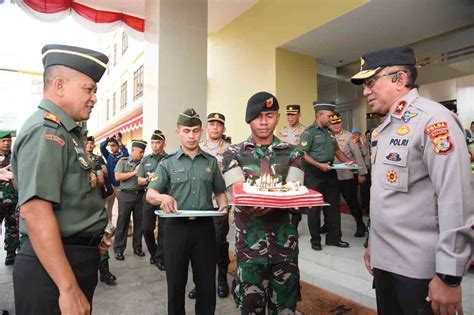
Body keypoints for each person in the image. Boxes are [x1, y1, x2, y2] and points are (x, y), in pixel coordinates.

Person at [351, 46, 473, 315]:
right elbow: (385, 196)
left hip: (420, 272)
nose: (365, 91)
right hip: (386, 264)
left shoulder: (434, 120)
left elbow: (457, 201)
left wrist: (449, 277)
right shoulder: (382, 131)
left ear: (400, 78)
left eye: (371, 82)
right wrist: (375, 243)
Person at [11, 44, 111, 314]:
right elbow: (35, 211)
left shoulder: (68, 133)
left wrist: (91, 235)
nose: (94, 98)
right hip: (52, 270)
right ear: (59, 85)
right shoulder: (47, 133)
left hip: (72, 258)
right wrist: (67, 288)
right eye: (88, 89)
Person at [222, 92, 305, 314]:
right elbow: (238, 192)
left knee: (285, 309)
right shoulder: (233, 153)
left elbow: (295, 194)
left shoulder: (294, 152)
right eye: (258, 116)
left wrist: (272, 199)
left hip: (284, 250)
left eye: (269, 115)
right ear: (249, 119)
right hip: (250, 250)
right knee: (250, 309)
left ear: (278, 117)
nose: (264, 121)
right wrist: (279, 198)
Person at [146, 108, 228, 315]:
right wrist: (163, 197)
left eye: (195, 131)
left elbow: (219, 192)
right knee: (175, 285)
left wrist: (224, 206)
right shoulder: (168, 162)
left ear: (201, 132)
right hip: (175, 230)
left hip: (204, 230)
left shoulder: (210, 162)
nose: (191, 136)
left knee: (206, 286)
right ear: (178, 132)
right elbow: (150, 194)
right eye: (186, 131)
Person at [300, 101, 353, 251]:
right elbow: (303, 154)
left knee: (333, 205)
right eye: (329, 116)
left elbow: (337, 151)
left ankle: (334, 238)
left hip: (330, 170)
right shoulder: (308, 132)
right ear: (319, 115)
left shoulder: (329, 132)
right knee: (314, 208)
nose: (331, 119)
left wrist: (348, 162)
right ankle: (315, 240)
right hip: (314, 173)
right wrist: (318, 165)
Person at [191, 112, 232, 299]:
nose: (215, 127)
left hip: (219, 204)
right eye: (212, 124)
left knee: (219, 243)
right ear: (206, 128)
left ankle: (222, 278)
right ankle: (200, 284)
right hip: (199, 204)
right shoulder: (197, 147)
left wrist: (231, 204)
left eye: (219, 124)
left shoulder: (231, 150)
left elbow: (233, 179)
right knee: (198, 245)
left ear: (223, 128)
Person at [328, 113, 368, 237]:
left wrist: (362, 173)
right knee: (330, 203)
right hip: (330, 176)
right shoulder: (326, 136)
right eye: (333, 123)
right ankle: (328, 225)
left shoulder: (349, 136)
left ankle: (360, 224)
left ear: (341, 122)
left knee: (352, 203)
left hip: (347, 176)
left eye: (338, 123)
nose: (336, 126)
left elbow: (358, 155)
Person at [85, 136, 116, 285]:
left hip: (96, 201)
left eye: (91, 143)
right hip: (78, 206)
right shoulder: (73, 159)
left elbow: (103, 176)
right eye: (87, 142)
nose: (89, 145)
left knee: (102, 234)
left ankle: (104, 271)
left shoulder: (97, 159)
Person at [137, 130, 167, 270]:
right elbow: (139, 180)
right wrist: (148, 178)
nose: (155, 145)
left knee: (163, 230)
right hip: (148, 196)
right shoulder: (146, 159)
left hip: (163, 197)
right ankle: (154, 253)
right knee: (146, 228)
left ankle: (160, 258)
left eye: (158, 142)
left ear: (163, 143)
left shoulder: (169, 159)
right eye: (153, 143)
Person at [113, 139, 147, 260]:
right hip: (126, 195)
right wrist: (134, 172)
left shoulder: (144, 163)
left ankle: (137, 247)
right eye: (140, 152)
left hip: (140, 195)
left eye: (143, 152)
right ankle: (118, 249)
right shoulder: (123, 161)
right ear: (133, 150)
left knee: (139, 223)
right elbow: (117, 176)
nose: (142, 154)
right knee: (123, 223)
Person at [278, 105, 306, 229]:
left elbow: (305, 150)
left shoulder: (305, 131)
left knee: (296, 194)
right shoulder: (282, 131)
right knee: (285, 193)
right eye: (288, 115)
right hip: (284, 167)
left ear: (299, 115)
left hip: (299, 166)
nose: (290, 117)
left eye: (293, 114)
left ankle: (294, 224)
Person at [0, 131, 19, 265]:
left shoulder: (15, 157)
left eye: (8, 141)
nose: (7, 143)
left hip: (13, 198)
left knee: (13, 226)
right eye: (3, 141)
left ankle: (11, 252)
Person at [100, 132, 129, 220]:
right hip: (110, 185)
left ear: (118, 146)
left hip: (120, 185)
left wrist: (120, 142)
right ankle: (109, 226)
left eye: (114, 145)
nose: (112, 148)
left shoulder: (122, 156)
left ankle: (128, 226)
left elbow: (126, 154)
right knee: (109, 207)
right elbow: (102, 147)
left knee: (123, 207)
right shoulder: (108, 155)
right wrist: (108, 140)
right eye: (111, 146)